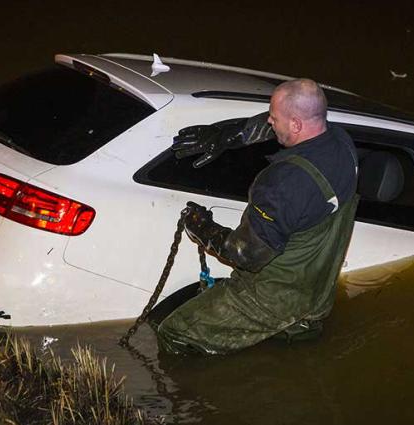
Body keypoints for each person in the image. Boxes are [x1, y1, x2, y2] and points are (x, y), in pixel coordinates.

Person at [154, 79, 359, 355]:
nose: (270, 124)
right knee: (287, 353)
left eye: (274, 119)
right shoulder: (341, 143)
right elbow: (278, 123)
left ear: (296, 124)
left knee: (174, 332)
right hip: (314, 297)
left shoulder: (281, 185)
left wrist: (201, 228)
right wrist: (228, 136)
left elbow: (244, 254)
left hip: (271, 298)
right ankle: (294, 340)